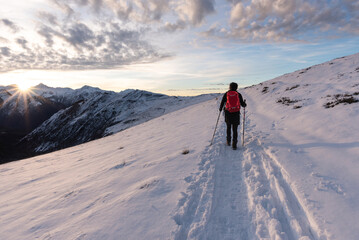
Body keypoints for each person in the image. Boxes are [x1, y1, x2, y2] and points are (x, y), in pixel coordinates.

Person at [219, 82, 247, 150]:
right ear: (236, 87)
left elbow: (222, 102)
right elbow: (243, 104)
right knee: (235, 129)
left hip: (228, 113)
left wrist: (220, 109)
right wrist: (244, 104)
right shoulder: (238, 94)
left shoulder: (226, 94)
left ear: (230, 87)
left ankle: (228, 141)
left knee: (228, 127)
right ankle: (234, 144)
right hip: (236, 113)